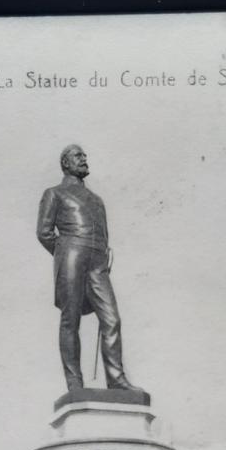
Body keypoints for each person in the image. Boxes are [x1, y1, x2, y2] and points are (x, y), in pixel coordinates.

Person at [37, 144, 141, 392]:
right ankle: (74, 383)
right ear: (65, 163)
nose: (84, 159)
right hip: (71, 253)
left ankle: (116, 379)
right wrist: (66, 251)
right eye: (77, 156)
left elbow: (104, 233)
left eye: (84, 155)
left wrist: (101, 255)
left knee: (112, 319)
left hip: (98, 260)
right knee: (70, 319)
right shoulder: (54, 193)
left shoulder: (97, 200)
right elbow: (44, 232)